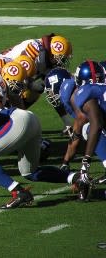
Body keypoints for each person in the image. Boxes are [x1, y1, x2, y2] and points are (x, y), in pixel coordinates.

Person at [44, 61, 106, 194]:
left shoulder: (77, 92)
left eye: (51, 91)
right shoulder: (83, 87)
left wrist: (72, 162)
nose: (51, 95)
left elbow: (82, 120)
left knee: (88, 129)